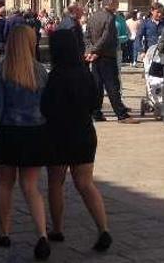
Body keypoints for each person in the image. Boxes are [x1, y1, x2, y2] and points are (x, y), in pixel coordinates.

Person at [0, 26, 51, 260]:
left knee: (5, 184)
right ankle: (42, 234)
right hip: (35, 132)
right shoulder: (41, 71)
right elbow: (47, 107)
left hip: (10, 132)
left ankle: (4, 231)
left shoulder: (2, 70)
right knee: (31, 187)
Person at [44, 29, 112, 253]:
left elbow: (45, 107)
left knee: (56, 181)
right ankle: (103, 228)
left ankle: (57, 228)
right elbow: (95, 103)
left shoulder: (55, 75)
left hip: (58, 133)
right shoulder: (86, 73)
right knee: (85, 183)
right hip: (84, 132)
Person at [85, 0, 136, 123]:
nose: (118, 5)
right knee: (112, 86)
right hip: (107, 56)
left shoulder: (93, 16)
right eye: (117, 2)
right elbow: (106, 38)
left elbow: (87, 36)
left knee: (97, 86)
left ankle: (96, 113)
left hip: (96, 57)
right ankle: (121, 114)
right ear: (111, 3)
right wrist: (96, 50)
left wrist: (91, 50)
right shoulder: (110, 18)